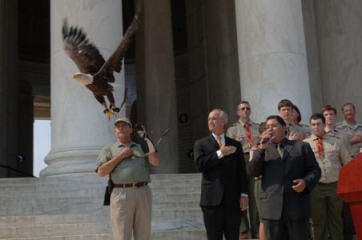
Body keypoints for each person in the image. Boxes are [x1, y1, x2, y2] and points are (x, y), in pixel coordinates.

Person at [249, 115, 321, 240]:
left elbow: (315, 170)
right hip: (272, 209)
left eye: (274, 126)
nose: (270, 129)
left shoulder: (301, 146)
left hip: (296, 207)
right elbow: (253, 172)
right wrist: (261, 150)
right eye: (267, 127)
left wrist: (305, 182)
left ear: (284, 127)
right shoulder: (261, 149)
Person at [96, 117, 160, 240]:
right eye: (118, 126)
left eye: (124, 125)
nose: (121, 128)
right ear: (114, 131)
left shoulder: (142, 146)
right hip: (121, 193)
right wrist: (120, 156)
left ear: (131, 129)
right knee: (121, 235)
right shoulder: (109, 149)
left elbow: (156, 162)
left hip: (143, 191)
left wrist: (147, 141)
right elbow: (101, 171)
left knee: (143, 234)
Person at [193, 109, 249, 240]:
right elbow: (199, 165)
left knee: (233, 236)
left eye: (214, 118)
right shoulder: (201, 144)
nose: (210, 121)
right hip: (211, 201)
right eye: (209, 119)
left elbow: (241, 171)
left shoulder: (235, 144)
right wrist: (220, 153)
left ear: (223, 122)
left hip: (232, 201)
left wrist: (244, 194)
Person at [304, 113, 351, 240]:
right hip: (315, 188)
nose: (316, 127)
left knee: (336, 219)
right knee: (317, 221)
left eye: (318, 124)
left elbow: (347, 164)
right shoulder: (304, 144)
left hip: (334, 186)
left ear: (324, 124)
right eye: (313, 124)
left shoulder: (336, 142)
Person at [226, 101, 260, 239]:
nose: (245, 111)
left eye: (247, 108)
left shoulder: (257, 127)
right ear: (238, 112)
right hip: (240, 159)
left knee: (254, 194)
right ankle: (243, 229)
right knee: (241, 194)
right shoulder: (233, 130)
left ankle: (256, 227)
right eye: (242, 109)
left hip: (255, 159)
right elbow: (229, 148)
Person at [335, 102, 361, 240]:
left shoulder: (361, 127)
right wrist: (353, 141)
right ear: (343, 113)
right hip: (347, 168)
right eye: (346, 110)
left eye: (351, 110)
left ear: (355, 111)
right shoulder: (338, 128)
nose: (349, 112)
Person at [249, 122, 267, 240]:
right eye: (265, 132)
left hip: (274, 182)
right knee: (263, 218)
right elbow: (253, 168)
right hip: (260, 183)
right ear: (260, 134)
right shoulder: (255, 149)